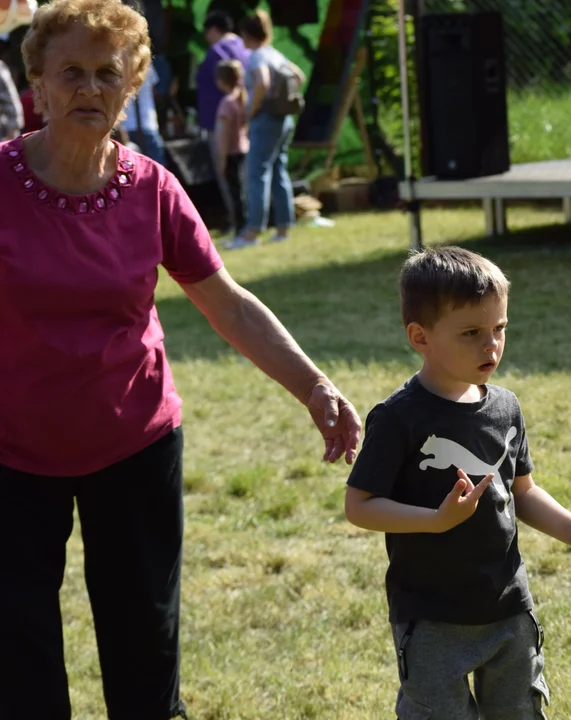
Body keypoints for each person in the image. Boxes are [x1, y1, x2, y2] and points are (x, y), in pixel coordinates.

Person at [0, 1, 363, 718]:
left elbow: (226, 304)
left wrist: (314, 386)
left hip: (132, 442)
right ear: (37, 81)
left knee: (144, 643)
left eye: (109, 73)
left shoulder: (153, 189)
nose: (90, 88)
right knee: (17, 653)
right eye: (71, 71)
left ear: (132, 84)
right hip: (10, 454)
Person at [344, 246, 571, 720]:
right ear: (419, 336)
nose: (490, 345)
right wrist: (435, 520)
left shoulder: (505, 407)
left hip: (508, 606)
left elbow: (521, 491)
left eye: (499, 329)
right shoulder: (398, 418)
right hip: (431, 616)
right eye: (471, 333)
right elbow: (360, 505)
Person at [229, 8, 305, 250]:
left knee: (256, 174)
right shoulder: (274, 53)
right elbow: (299, 76)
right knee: (279, 170)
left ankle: (252, 231)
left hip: (265, 120)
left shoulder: (257, 56)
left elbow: (261, 81)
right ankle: (283, 227)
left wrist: (252, 109)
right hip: (283, 120)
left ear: (245, 34)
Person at [196, 9, 249, 136]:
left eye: (206, 32)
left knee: (221, 154)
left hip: (220, 117)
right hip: (242, 115)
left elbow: (224, 82)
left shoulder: (217, 50)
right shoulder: (244, 46)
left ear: (213, 29)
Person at [214, 57, 248, 233]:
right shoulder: (242, 98)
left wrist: (221, 158)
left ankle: (240, 228)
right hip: (243, 149)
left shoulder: (227, 103)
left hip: (231, 153)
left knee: (235, 194)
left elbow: (223, 134)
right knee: (242, 191)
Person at [118, 57, 165, 163]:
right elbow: (154, 92)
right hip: (146, 125)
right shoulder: (146, 63)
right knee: (156, 172)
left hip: (126, 127)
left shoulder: (116, 63)